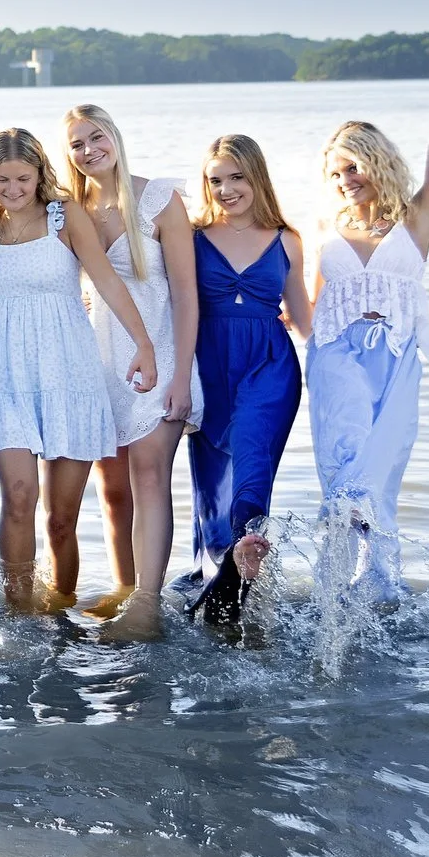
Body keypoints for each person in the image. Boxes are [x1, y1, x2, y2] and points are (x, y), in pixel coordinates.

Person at [307, 4, 429, 600]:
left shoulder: (416, 220)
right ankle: (333, 592)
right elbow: (306, 305)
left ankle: (377, 590)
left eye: (353, 168)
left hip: (396, 358)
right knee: (343, 463)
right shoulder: (323, 226)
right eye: (336, 173)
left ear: (376, 161)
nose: (345, 181)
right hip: (335, 356)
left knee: (381, 475)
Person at [0, 129, 159, 614]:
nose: (12, 189)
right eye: (1, 179)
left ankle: (59, 610)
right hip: (8, 374)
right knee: (17, 496)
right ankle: (18, 617)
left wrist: (143, 343)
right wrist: (13, 319)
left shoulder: (64, 216)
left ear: (39, 175)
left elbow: (108, 281)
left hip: (70, 373)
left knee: (60, 519)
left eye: (22, 178)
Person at [58, 103, 202, 635]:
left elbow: (187, 293)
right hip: (100, 360)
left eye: (97, 137)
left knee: (148, 473)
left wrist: (181, 375)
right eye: (77, 143)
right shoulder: (71, 209)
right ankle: (124, 588)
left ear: (115, 138)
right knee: (112, 487)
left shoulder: (158, 200)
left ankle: (147, 603)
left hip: (161, 352)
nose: (89, 149)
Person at [176, 133, 312, 625]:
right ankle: (224, 569)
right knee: (210, 484)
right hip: (207, 369)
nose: (227, 189)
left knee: (253, 458)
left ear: (256, 177)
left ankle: (248, 540)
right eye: (216, 180)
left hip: (269, 368)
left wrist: (364, 309)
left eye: (236, 178)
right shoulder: (190, 237)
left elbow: (303, 317)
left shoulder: (287, 240)